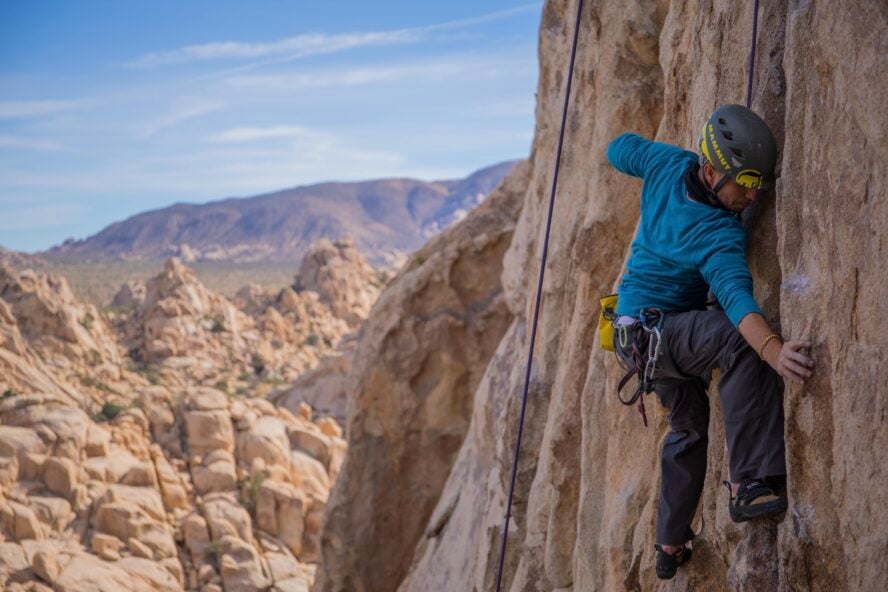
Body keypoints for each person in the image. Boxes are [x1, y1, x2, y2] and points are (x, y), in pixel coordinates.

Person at [605, 104, 816, 580]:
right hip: (660, 333)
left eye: (758, 183)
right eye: (743, 182)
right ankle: (750, 483)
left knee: (688, 431)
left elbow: (619, 149)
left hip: (639, 335)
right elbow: (738, 303)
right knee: (736, 342)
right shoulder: (716, 233)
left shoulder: (666, 164)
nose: (752, 194)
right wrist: (772, 350)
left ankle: (669, 542)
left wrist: (630, 153)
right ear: (711, 168)